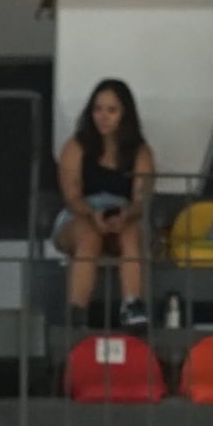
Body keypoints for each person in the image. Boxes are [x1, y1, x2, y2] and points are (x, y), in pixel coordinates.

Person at [54, 78, 157, 319]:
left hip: (124, 216)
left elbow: (141, 200)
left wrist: (126, 215)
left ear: (125, 114)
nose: (103, 116)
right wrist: (92, 214)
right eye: (98, 109)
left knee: (131, 233)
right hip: (80, 214)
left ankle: (132, 304)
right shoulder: (76, 146)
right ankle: (77, 311)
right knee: (89, 236)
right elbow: (71, 195)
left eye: (112, 110)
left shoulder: (140, 151)